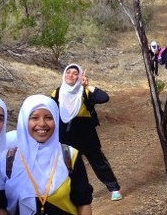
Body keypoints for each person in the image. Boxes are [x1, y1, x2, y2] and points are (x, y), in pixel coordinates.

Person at [51, 65, 122, 201]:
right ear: (64, 75)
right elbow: (51, 110)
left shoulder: (84, 91)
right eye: (68, 73)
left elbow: (104, 98)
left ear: (79, 76)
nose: (71, 76)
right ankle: (73, 193)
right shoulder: (57, 93)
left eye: (75, 73)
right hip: (66, 134)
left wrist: (87, 85)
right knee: (68, 165)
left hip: (86, 133)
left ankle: (114, 188)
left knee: (98, 162)